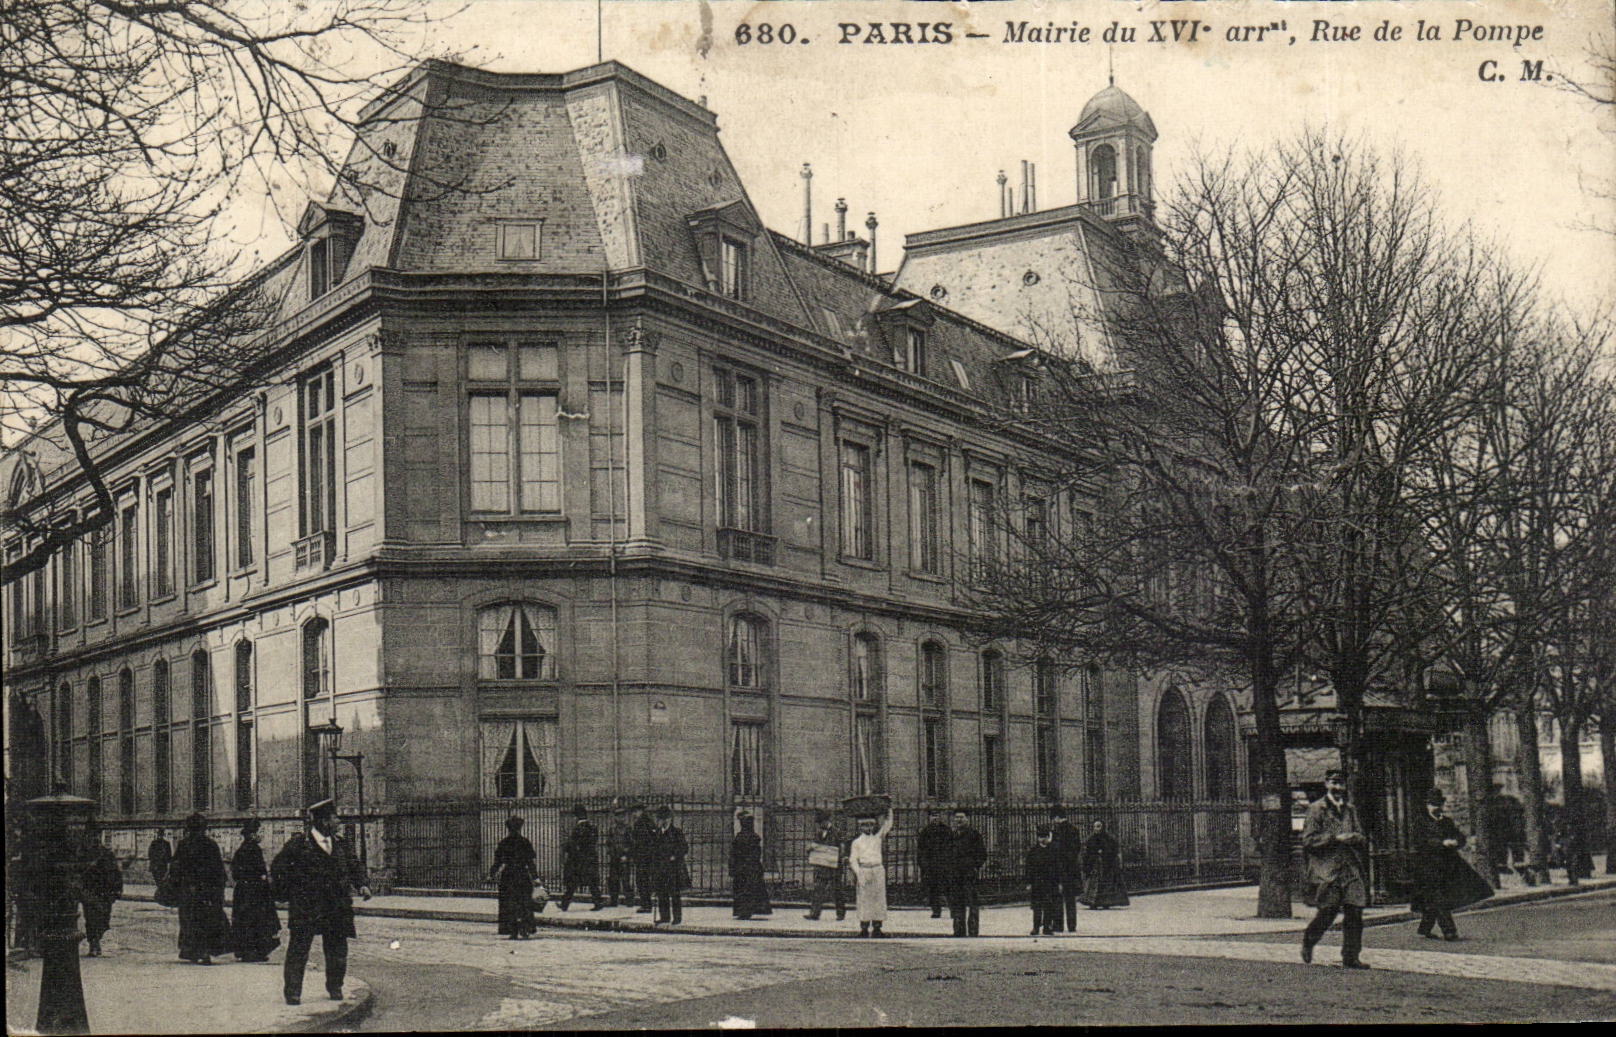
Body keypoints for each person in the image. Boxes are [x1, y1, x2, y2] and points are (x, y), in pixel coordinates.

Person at [271, 798, 371, 1005]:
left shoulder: (342, 844)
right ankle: (293, 992)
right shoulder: (299, 845)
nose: (338, 821)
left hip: (336, 907)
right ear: (324, 821)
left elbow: (355, 866)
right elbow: (278, 869)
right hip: (307, 908)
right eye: (335, 817)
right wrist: (291, 894)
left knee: (337, 949)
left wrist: (362, 884)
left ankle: (335, 987)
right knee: (299, 949)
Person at [1299, 769, 1370, 969]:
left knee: (1355, 911)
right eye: (1334, 783)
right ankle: (1309, 941)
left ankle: (1351, 956)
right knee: (1328, 912)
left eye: (1340, 784)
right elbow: (1308, 840)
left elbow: (1361, 836)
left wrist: (1354, 837)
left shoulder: (1350, 810)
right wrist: (1334, 839)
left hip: (1350, 868)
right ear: (1326, 784)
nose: (1338, 788)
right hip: (1327, 869)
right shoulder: (1316, 809)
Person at [1409, 788, 1492, 942]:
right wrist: (1441, 843)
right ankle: (1449, 931)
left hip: (1447, 867)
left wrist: (1456, 842)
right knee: (1439, 898)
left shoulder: (1446, 821)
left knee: (1435, 899)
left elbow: (1460, 836)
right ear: (1427, 805)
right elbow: (1420, 842)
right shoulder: (1420, 822)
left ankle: (1425, 928)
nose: (1436, 807)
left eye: (1439, 804)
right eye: (1433, 804)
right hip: (1427, 867)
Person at [170, 813, 230, 965]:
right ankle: (204, 951)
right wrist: (219, 891)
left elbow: (175, 868)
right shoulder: (210, 844)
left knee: (189, 921)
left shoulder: (184, 844)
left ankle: (192, 951)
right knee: (206, 921)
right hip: (207, 891)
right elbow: (219, 870)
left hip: (189, 891)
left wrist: (178, 886)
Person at [230, 818, 281, 962]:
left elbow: (235, 871)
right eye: (260, 832)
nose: (261, 835)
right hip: (254, 891)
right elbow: (254, 871)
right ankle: (254, 951)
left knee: (248, 920)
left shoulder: (243, 848)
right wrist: (262, 877)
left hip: (245, 891)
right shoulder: (252, 849)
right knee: (255, 920)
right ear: (252, 834)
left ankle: (250, 951)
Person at [491, 815, 538, 940]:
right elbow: (530, 862)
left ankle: (512, 930)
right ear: (520, 828)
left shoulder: (504, 843)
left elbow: (497, 862)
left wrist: (491, 874)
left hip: (508, 876)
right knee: (524, 903)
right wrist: (536, 878)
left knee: (509, 904)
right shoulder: (525, 842)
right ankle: (525, 929)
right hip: (522, 875)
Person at [849, 808, 894, 938]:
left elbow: (888, 825)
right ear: (860, 827)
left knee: (878, 899)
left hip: (877, 870)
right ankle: (864, 928)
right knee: (864, 900)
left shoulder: (877, 839)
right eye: (865, 825)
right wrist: (858, 873)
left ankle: (877, 928)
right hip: (864, 870)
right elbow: (853, 859)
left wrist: (889, 810)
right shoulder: (856, 842)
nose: (868, 827)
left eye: (870, 825)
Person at [80, 829, 123, 958]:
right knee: (90, 918)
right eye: (91, 835)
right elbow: (78, 871)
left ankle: (97, 939)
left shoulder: (106, 853)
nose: (94, 838)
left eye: (96, 835)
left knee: (104, 918)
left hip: (105, 891)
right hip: (90, 890)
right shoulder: (84, 854)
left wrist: (117, 889)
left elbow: (116, 872)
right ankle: (94, 943)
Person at [947, 810, 987, 938]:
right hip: (955, 875)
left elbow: (982, 854)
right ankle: (958, 930)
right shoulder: (952, 836)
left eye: (961, 817)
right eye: (956, 817)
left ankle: (973, 930)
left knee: (972, 902)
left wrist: (975, 866)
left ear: (967, 819)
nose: (959, 820)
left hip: (969, 874)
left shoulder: (974, 835)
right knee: (957, 902)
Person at [804, 810, 847, 922]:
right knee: (818, 890)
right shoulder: (818, 833)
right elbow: (814, 847)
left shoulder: (837, 832)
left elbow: (842, 847)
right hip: (821, 867)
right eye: (819, 823)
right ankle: (814, 913)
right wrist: (810, 849)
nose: (820, 825)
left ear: (827, 821)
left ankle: (840, 913)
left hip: (834, 867)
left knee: (837, 890)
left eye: (822, 822)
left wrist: (840, 858)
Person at [729, 810, 773, 920]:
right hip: (752, 868)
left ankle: (744, 911)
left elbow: (735, 854)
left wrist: (734, 866)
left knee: (744, 889)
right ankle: (748, 910)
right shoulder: (754, 837)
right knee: (751, 889)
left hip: (743, 868)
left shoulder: (742, 837)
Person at [649, 806, 688, 925]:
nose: (663, 821)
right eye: (661, 818)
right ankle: (664, 917)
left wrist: (675, 855)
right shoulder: (656, 834)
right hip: (660, 868)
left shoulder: (676, 832)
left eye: (666, 818)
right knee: (662, 893)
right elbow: (653, 850)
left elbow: (684, 848)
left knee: (674, 894)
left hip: (673, 868)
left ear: (670, 819)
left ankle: (677, 917)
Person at [1079, 820, 1129, 909]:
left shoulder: (1109, 838)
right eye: (1095, 826)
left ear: (1102, 827)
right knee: (1093, 884)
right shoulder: (1090, 839)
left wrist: (1104, 852)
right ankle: (1092, 902)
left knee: (1106, 884)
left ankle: (1106, 902)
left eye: (1098, 826)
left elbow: (1114, 850)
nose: (1096, 829)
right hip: (1095, 866)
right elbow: (1086, 852)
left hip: (1107, 865)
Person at [560, 805, 601, 911]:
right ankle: (598, 903)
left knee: (572, 884)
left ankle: (564, 904)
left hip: (579, 861)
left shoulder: (578, 829)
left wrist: (566, 847)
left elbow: (574, 846)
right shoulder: (593, 828)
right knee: (592, 883)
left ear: (576, 817)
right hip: (591, 859)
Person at [1050, 806, 1084, 932]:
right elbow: (1076, 849)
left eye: (1053, 818)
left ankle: (1058, 925)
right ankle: (1072, 925)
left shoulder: (1056, 831)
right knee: (1070, 899)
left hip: (1060, 868)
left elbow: (1055, 850)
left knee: (1058, 897)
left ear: (1057, 817)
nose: (1053, 821)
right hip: (1071, 869)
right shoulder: (1074, 830)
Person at [917, 810, 953, 919]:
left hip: (944, 864)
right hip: (931, 866)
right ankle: (936, 910)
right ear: (929, 818)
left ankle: (953, 909)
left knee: (949, 888)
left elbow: (952, 847)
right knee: (933, 889)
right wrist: (923, 865)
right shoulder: (925, 832)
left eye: (937, 816)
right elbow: (921, 850)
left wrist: (950, 862)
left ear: (940, 817)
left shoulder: (946, 830)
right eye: (933, 816)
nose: (935, 818)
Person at [1025, 826, 1061, 936]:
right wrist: (1029, 883)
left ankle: (1047, 927)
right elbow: (1028, 868)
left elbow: (1057, 868)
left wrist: (1058, 883)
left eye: (1044, 837)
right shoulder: (1033, 851)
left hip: (1050, 883)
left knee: (1048, 906)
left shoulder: (1053, 850)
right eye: (1040, 837)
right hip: (1037, 883)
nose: (1042, 839)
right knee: (1037, 907)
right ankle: (1036, 927)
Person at [629, 803, 658, 914]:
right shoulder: (648, 822)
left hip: (644, 857)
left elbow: (643, 841)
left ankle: (646, 905)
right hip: (645, 856)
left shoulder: (642, 823)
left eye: (635, 812)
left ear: (640, 811)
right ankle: (646, 904)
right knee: (643, 881)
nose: (634, 814)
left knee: (642, 881)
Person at [606, 800, 634, 908]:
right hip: (614, 857)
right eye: (617, 816)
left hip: (623, 858)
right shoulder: (612, 829)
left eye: (622, 816)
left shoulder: (628, 828)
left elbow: (631, 843)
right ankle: (614, 900)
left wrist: (626, 855)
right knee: (613, 880)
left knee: (626, 880)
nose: (620, 818)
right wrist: (610, 851)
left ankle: (629, 901)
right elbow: (608, 842)